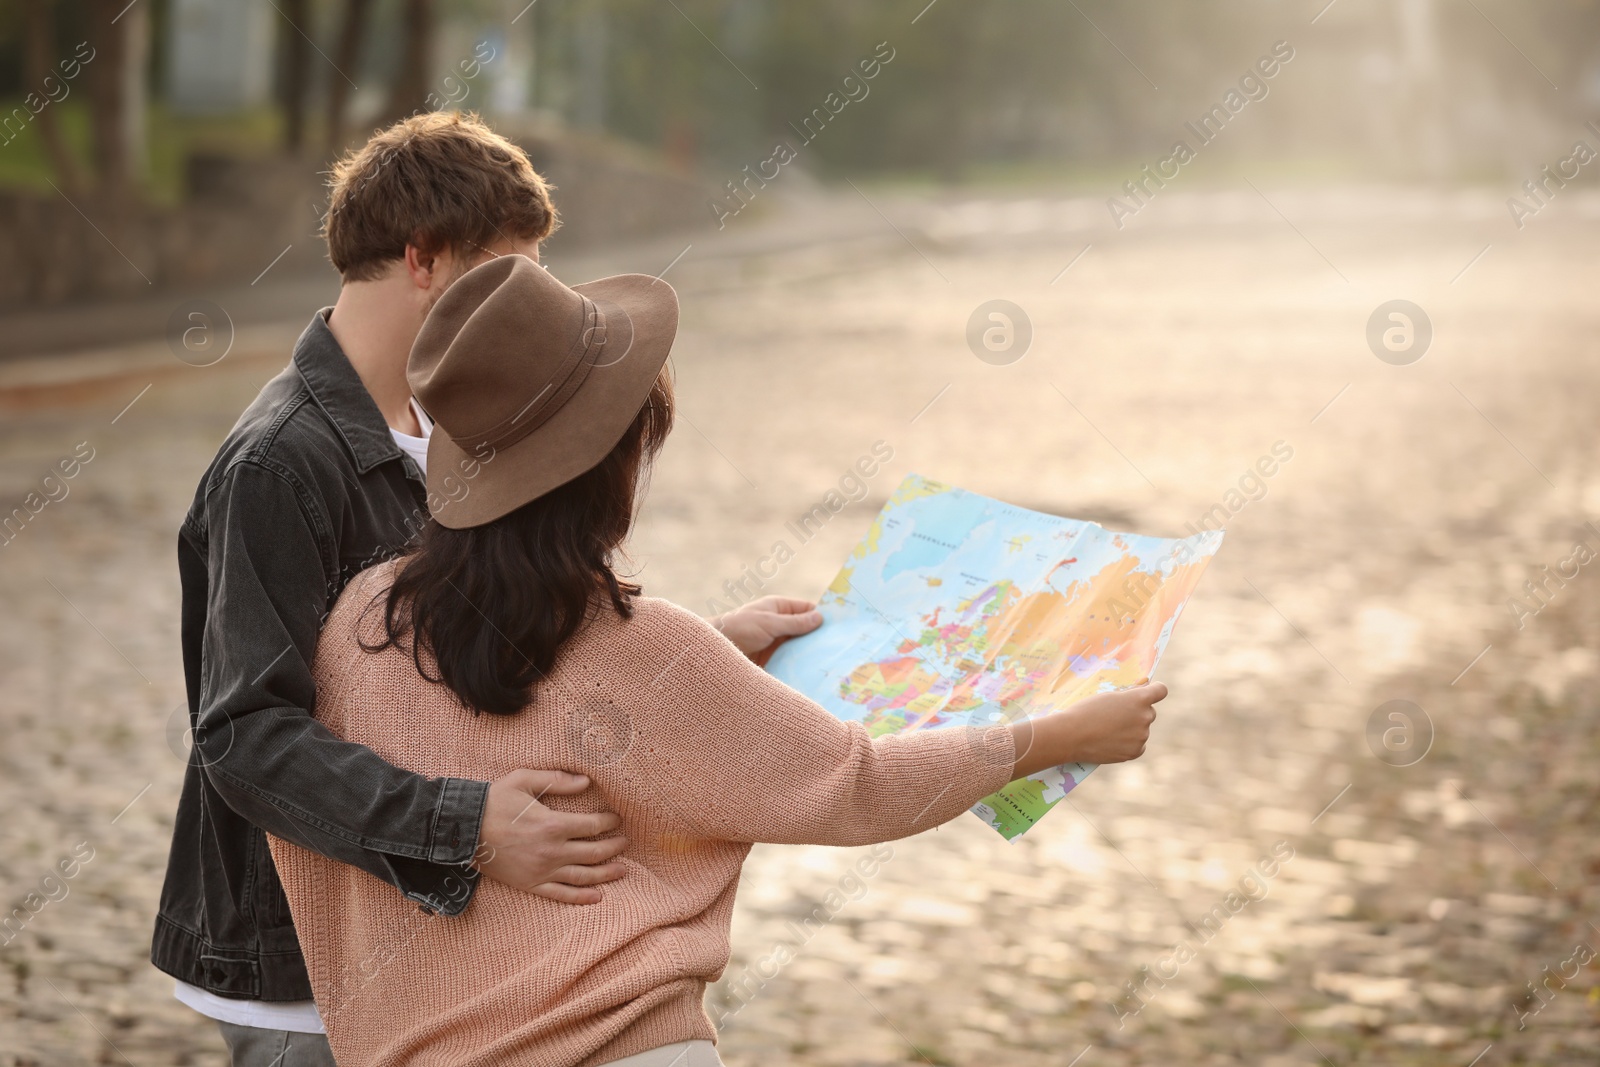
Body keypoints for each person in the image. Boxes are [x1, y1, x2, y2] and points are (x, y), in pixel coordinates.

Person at [268, 253, 1168, 1066]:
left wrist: (714, 650)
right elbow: (855, 783)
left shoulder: (357, 621)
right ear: (608, 472)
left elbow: (333, 807)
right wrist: (1056, 735)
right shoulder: (632, 645)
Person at [151, 112, 817, 1067]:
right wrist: (467, 828)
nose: (531, 300)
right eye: (508, 271)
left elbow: (467, 660)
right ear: (423, 258)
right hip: (303, 964)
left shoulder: (453, 418)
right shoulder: (278, 466)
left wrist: (695, 653)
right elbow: (244, 736)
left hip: (418, 941)